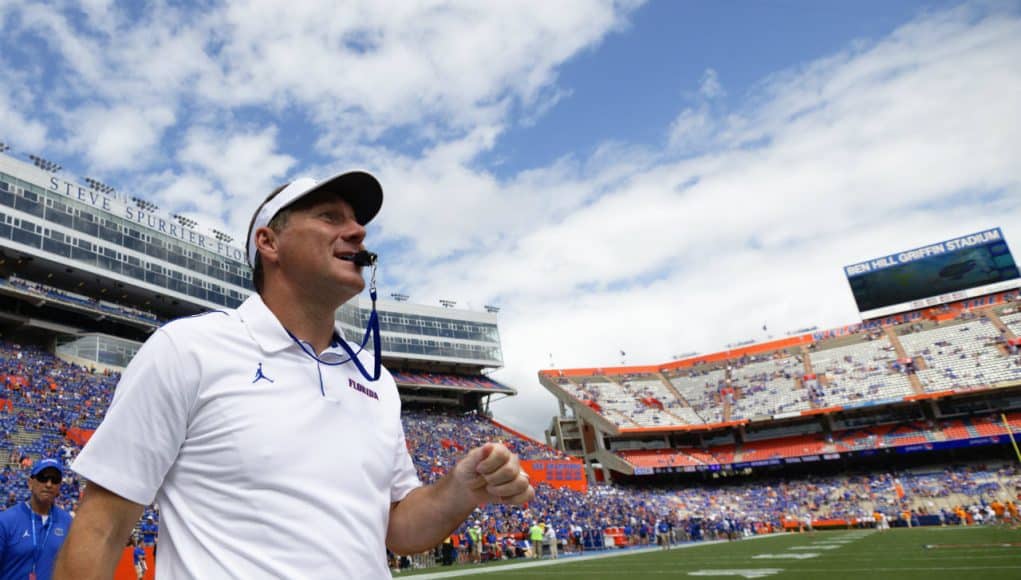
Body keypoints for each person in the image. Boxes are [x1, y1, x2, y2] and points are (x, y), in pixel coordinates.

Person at [54, 171, 534, 578]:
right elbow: (102, 526)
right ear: (269, 242)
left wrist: (460, 490)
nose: (358, 232)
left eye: (357, 221)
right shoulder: (189, 350)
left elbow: (397, 529)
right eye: (330, 217)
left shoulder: (377, 383)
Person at [0, 458, 73, 580]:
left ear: (59, 487)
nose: (49, 484)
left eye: (54, 480)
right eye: (43, 478)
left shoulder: (68, 522)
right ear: (30, 483)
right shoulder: (6, 521)